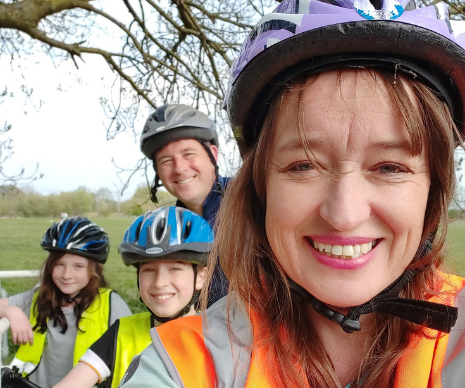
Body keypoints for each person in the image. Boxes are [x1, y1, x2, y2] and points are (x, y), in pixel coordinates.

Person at [118, 0, 465, 387]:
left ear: (432, 192)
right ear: (260, 189)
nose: (344, 214)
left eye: (390, 167)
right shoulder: (185, 365)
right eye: (303, 166)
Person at [53, 206, 212, 388]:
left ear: (200, 276)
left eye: (174, 269)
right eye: (148, 270)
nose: (159, 282)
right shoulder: (122, 332)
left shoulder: (219, 339)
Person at [0, 217, 131, 388]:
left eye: (78, 266)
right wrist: (12, 312)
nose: (66, 274)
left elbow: (131, 355)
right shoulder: (38, 297)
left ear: (95, 270)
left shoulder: (112, 304)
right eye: (59, 264)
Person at [140, 104, 230, 306]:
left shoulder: (254, 203)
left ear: (213, 155)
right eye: (166, 161)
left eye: (188, 154)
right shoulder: (170, 228)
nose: (179, 168)